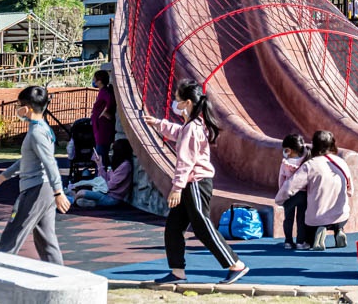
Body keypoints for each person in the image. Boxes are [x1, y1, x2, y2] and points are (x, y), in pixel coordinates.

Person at [142, 81, 249, 285]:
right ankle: (177, 271)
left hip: (196, 183)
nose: (175, 102)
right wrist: (158, 124)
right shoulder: (191, 125)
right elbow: (179, 133)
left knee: (202, 225)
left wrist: (176, 188)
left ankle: (236, 264)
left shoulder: (192, 127)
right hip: (191, 183)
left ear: (188, 102)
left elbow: (185, 161)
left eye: (177, 100)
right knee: (174, 227)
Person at [0, 86, 70, 263]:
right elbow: (28, 160)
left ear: (27, 108)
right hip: (43, 191)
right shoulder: (42, 128)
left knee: (11, 237)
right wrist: (2, 177)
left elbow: (50, 163)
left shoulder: (37, 132)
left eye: (19, 105)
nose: (17, 109)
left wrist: (58, 192)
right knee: (47, 241)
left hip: (35, 191)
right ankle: (60, 276)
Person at [276, 130, 352, 251]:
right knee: (337, 215)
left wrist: (279, 200)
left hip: (318, 218)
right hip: (342, 215)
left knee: (306, 222)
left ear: (314, 145)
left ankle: (318, 232)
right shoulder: (341, 162)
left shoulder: (310, 165)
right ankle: (339, 230)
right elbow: (350, 190)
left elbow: (291, 185)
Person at [74, 138, 133, 208]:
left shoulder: (125, 166)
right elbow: (104, 178)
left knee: (81, 193)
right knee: (78, 192)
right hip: (105, 193)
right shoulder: (117, 164)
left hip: (112, 197)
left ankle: (80, 202)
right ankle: (92, 203)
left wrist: (97, 185)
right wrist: (99, 164)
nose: (111, 153)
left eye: (113, 150)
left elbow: (111, 185)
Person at [278, 133, 310, 250]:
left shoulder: (285, 163)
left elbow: (281, 178)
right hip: (303, 194)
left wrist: (282, 192)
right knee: (301, 219)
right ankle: (300, 242)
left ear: (289, 150)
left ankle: (288, 241)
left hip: (289, 194)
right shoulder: (306, 161)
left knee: (288, 218)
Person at [90, 70, 116, 168]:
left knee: (101, 155)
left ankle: (101, 176)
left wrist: (104, 113)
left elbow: (110, 101)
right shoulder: (102, 92)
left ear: (99, 81)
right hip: (99, 128)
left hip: (103, 129)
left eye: (95, 79)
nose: (94, 81)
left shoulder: (104, 92)